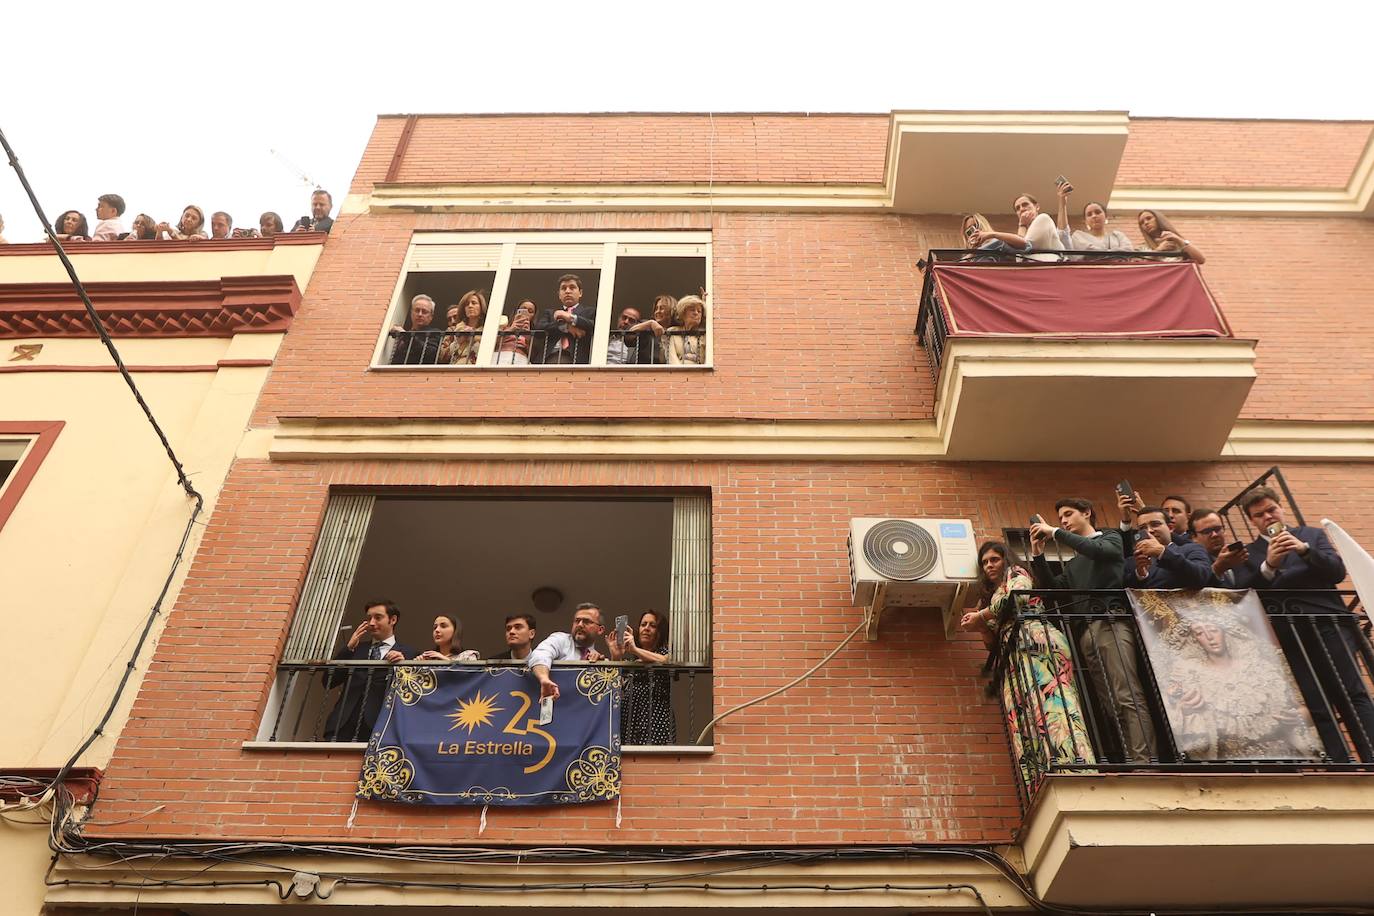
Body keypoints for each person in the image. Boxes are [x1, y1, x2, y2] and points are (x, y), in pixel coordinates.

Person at [1233, 486, 1374, 762]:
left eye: (1271, 510)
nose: (1267, 517)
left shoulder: (1311, 535)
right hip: (1290, 633)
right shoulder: (1250, 554)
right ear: (1252, 521)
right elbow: (1246, 595)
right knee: (1315, 700)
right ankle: (1339, 764)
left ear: (1280, 507)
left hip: (1329, 625)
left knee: (1352, 691)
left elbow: (1336, 571)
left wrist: (1304, 550)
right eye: (1259, 515)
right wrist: (1268, 566)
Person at [1031, 497, 1158, 763]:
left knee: (1126, 694)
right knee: (1110, 702)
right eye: (1060, 518)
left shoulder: (1110, 537)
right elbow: (1053, 590)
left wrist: (1055, 532)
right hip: (1087, 632)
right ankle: (1130, 759)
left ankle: (1144, 762)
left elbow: (1106, 553)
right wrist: (1038, 554)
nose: (1063, 521)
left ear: (1087, 513)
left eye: (1068, 514)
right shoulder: (1076, 563)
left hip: (1111, 623)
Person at [960, 542, 1094, 783]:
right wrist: (981, 626)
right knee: (1025, 713)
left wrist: (981, 615)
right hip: (1012, 655)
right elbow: (991, 644)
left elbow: (1017, 598)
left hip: (1036, 641)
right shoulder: (990, 597)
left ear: (1006, 559)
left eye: (994, 559)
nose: (989, 565)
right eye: (984, 562)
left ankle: (1074, 769)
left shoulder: (1016, 573)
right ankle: (1041, 777)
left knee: (1053, 705)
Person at [322, 600, 415, 741]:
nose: (371, 623)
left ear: (393, 619)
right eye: (369, 618)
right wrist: (348, 649)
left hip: (381, 726)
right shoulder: (356, 648)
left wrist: (402, 666)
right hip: (342, 724)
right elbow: (328, 682)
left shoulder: (408, 653)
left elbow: (412, 691)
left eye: (378, 617)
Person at [609, 610, 676, 745]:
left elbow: (665, 660)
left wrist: (634, 649)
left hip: (655, 716)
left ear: (660, 631)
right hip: (629, 717)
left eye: (652, 625)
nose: (646, 628)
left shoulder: (665, 651)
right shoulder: (632, 659)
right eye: (643, 624)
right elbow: (616, 685)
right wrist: (616, 657)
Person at [528, 603, 606, 700]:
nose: (580, 625)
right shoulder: (560, 640)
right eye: (577, 621)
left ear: (600, 630)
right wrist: (544, 679)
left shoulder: (598, 658)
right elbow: (540, 654)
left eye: (587, 621)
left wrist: (611, 660)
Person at [1125, 506, 1214, 588]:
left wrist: (1162, 553)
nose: (1149, 531)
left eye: (1155, 524)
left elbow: (1202, 577)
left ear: (1170, 527)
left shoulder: (1192, 549)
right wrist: (1140, 575)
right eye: (1142, 528)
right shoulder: (1132, 561)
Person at [534, 274, 596, 364]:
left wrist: (569, 317)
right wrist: (566, 327)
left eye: (572, 287)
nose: (567, 291)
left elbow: (593, 326)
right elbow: (538, 330)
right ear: (559, 294)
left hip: (577, 360)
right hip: (549, 358)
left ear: (580, 293)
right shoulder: (550, 313)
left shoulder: (590, 311)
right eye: (563, 288)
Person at [1055, 183, 1133, 251]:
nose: (1094, 216)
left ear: (1106, 216)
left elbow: (1128, 250)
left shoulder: (1117, 236)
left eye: (1098, 212)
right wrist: (1062, 202)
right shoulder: (1079, 237)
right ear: (1086, 221)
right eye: (1089, 214)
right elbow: (1063, 235)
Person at [1188, 508, 1249, 587]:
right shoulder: (1193, 563)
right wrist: (1217, 569)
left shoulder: (1239, 558)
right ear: (1194, 537)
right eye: (1207, 531)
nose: (1214, 535)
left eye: (1217, 529)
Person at [1137, 209, 1206, 264]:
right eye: (1142, 223)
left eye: (1149, 218)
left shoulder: (1178, 242)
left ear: (1158, 219)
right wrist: (1158, 250)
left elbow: (1201, 260)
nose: (1146, 223)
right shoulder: (1142, 248)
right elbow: (1141, 269)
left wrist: (1178, 239)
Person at [437, 290, 486, 365]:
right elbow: (441, 356)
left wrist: (473, 337)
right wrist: (458, 341)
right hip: (456, 370)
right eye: (466, 304)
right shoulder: (454, 330)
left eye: (474, 303)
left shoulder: (487, 329)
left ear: (481, 307)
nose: (470, 306)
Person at [388, 294, 439, 365]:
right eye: (417, 310)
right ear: (411, 313)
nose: (420, 314)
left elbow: (430, 354)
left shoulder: (435, 332)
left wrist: (405, 335)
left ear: (431, 317)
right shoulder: (405, 334)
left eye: (424, 311)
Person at [415, 614, 480, 662]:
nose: (437, 630)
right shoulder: (429, 658)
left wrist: (445, 660)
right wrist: (418, 665)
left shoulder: (468, 656)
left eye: (443, 626)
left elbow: (471, 678)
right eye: (435, 627)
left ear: (455, 631)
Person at [666, 295, 706, 365]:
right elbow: (671, 356)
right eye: (692, 310)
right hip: (678, 372)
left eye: (699, 311)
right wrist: (681, 371)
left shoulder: (704, 335)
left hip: (699, 373)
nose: (696, 313)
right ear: (683, 313)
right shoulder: (673, 331)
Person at [494, 299, 536, 365]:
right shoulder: (504, 326)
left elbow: (534, 356)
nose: (527, 313)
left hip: (520, 360)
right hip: (500, 358)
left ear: (533, 316)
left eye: (530, 311)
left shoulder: (533, 333)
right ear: (517, 311)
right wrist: (511, 329)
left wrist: (528, 338)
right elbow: (490, 344)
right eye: (523, 309)